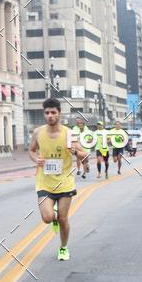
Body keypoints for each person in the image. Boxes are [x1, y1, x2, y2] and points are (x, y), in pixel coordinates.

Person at [29, 98, 88, 262]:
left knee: (63, 218)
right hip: (44, 182)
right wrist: (36, 160)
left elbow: (85, 154)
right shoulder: (38, 132)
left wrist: (75, 152)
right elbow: (32, 151)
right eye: (47, 113)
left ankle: (63, 248)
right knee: (47, 217)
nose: (50, 116)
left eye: (53, 112)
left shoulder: (69, 133)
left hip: (65, 182)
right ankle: (52, 219)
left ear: (59, 114)